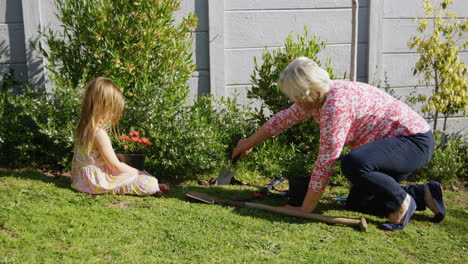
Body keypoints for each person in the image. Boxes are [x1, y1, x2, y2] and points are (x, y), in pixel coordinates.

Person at [232, 57, 445, 230]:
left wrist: (306, 209)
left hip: (413, 142)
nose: (292, 101)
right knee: (358, 203)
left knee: (354, 163)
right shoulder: (316, 99)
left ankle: (402, 203)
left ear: (308, 92)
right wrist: (249, 142)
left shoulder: (336, 105)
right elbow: (282, 120)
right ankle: (424, 193)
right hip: (390, 150)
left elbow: (326, 160)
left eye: (295, 96)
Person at [71, 77, 169, 196]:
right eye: (112, 111)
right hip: (96, 182)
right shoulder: (98, 133)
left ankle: (150, 184)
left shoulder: (84, 128)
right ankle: (152, 187)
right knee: (148, 181)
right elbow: (115, 165)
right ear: (103, 107)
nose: (113, 115)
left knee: (140, 172)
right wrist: (139, 174)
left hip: (81, 180)